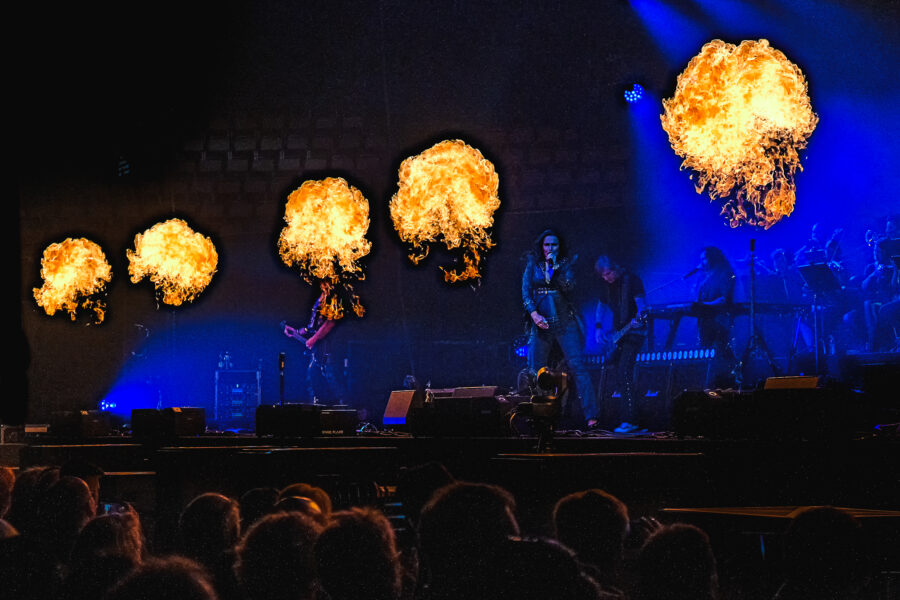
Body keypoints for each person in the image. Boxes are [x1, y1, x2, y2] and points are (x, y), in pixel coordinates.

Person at [522, 229, 597, 427]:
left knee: (577, 367)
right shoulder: (532, 264)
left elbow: (569, 287)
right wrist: (534, 314)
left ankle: (592, 416)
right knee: (535, 370)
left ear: (559, 246)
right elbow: (526, 293)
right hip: (540, 323)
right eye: (547, 245)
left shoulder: (565, 265)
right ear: (541, 246)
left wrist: (553, 269)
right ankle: (539, 416)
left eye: (554, 244)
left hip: (565, 322)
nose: (550, 248)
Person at [594, 256, 647, 433]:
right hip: (618, 334)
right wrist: (598, 327)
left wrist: (639, 318)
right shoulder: (607, 286)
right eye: (603, 276)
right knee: (619, 375)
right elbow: (601, 306)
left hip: (634, 333)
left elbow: (642, 307)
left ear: (615, 268)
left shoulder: (632, 280)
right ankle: (631, 418)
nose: (606, 278)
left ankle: (631, 421)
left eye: (608, 273)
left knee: (624, 371)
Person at [283, 282, 344, 403]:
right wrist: (297, 332)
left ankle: (348, 410)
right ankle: (317, 409)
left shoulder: (334, 295)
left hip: (329, 349)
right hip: (318, 351)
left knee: (334, 382)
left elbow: (331, 322)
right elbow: (312, 326)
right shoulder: (321, 295)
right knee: (312, 381)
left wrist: (314, 338)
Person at [693, 247, 736, 387]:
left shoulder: (725, 274)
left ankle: (725, 383)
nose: (702, 262)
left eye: (704, 259)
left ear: (713, 258)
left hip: (719, 322)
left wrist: (703, 305)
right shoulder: (706, 278)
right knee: (706, 356)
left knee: (720, 355)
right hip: (706, 323)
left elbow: (724, 299)